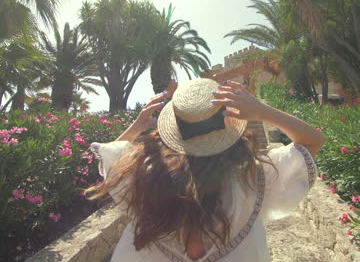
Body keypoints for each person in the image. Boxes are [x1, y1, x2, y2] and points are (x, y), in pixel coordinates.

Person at [86, 78, 324, 262]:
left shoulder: (145, 174)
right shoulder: (255, 177)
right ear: (229, 123)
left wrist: (138, 125)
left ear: (176, 130)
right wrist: (261, 110)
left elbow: (112, 161)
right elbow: (312, 142)